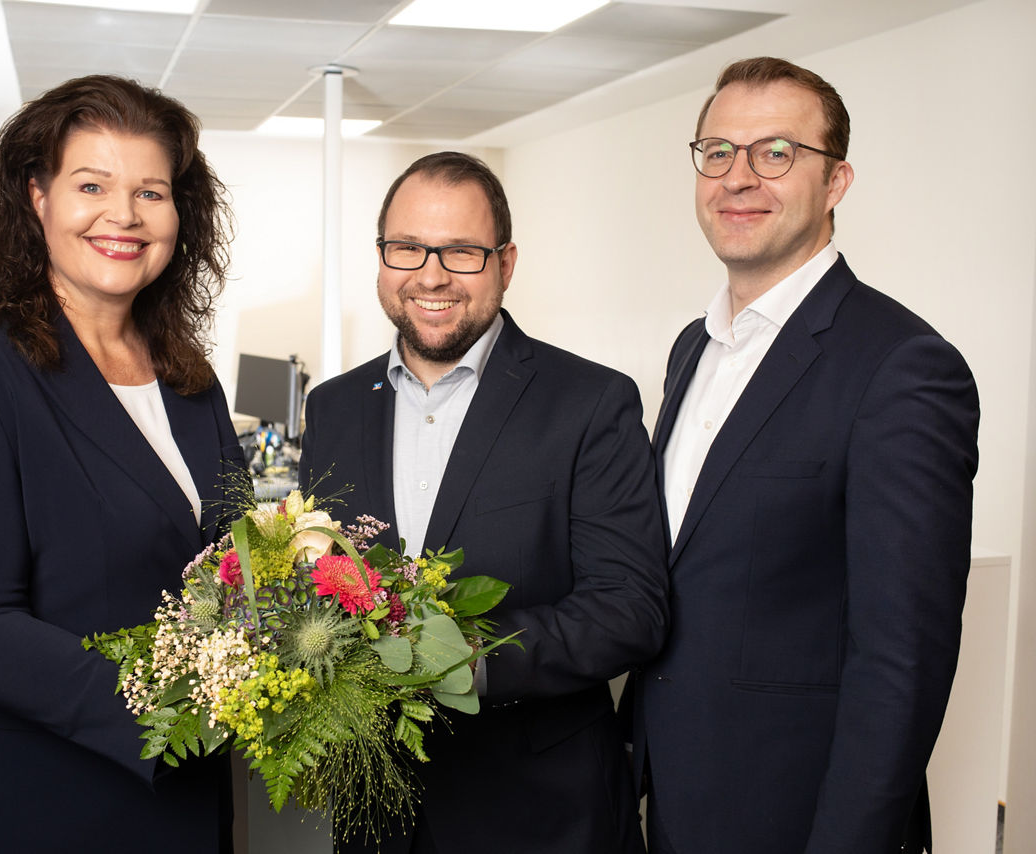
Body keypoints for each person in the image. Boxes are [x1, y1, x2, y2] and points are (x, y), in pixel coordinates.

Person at [0, 75, 242, 853]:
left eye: (151, 192)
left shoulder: (190, 381)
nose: (123, 217)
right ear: (37, 197)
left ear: (180, 214)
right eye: (91, 184)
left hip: (160, 808)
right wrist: (178, 707)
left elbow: (228, 570)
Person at [625, 57, 980, 854]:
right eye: (717, 152)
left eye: (775, 152)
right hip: (673, 799)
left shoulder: (902, 367)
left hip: (798, 816)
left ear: (837, 182)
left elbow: (903, 659)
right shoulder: (695, 348)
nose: (738, 177)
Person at [299, 151, 669, 853]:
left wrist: (469, 659)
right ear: (381, 257)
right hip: (380, 815)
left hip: (538, 815)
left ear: (506, 262)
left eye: (462, 252)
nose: (431, 275)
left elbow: (630, 609)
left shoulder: (589, 403)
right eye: (407, 248)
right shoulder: (334, 408)